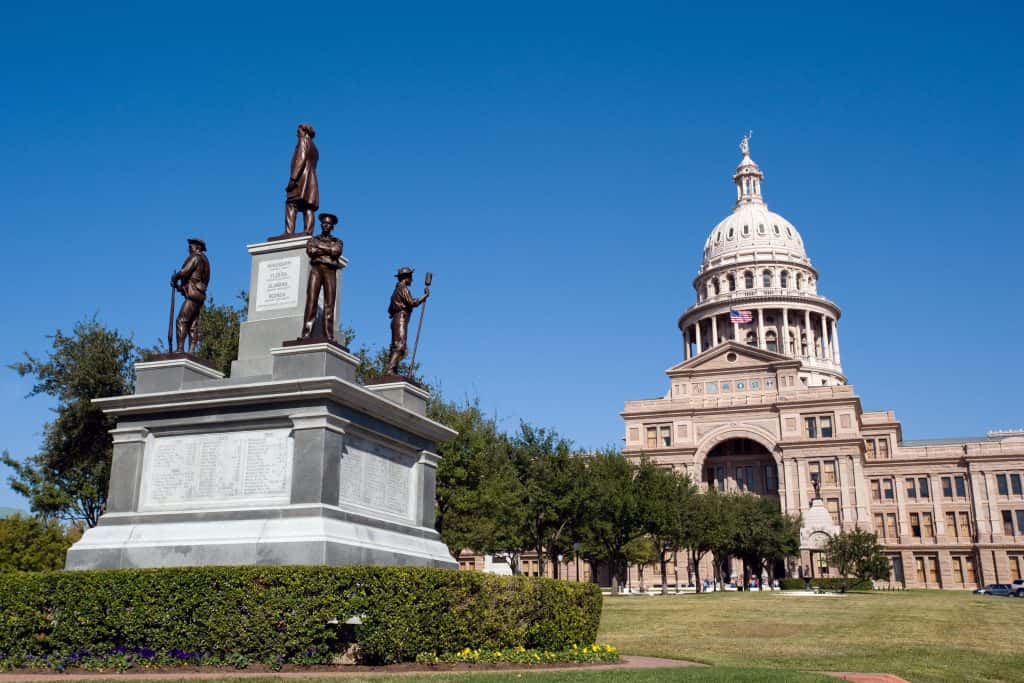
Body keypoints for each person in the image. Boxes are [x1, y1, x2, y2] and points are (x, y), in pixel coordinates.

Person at [299, 214, 343, 341]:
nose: (325, 225)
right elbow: (311, 251)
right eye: (324, 223)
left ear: (332, 226)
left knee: (329, 303)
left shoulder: (338, 241)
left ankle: (329, 335)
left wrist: (320, 248)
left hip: (330, 271)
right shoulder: (313, 239)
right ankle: (306, 333)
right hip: (316, 270)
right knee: (311, 300)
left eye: (328, 224)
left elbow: (336, 251)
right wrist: (327, 250)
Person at [385, 267, 429, 375]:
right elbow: (412, 303)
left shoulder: (396, 290)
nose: (412, 280)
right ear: (406, 278)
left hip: (396, 319)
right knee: (401, 345)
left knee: (395, 345)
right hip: (400, 318)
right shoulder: (403, 289)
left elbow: (390, 310)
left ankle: (393, 370)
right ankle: (390, 369)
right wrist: (425, 296)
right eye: (411, 277)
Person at [170, 238, 211, 353]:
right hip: (199, 295)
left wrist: (175, 277)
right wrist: (179, 287)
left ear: (198, 248)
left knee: (181, 320)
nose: (189, 249)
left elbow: (185, 271)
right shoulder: (205, 261)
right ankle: (191, 350)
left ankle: (180, 349)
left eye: (190, 247)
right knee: (193, 323)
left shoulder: (196, 257)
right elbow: (196, 280)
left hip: (193, 295)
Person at [284, 123, 319, 235]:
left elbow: (300, 160)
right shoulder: (315, 148)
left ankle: (289, 232)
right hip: (311, 180)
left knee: (291, 203)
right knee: (308, 206)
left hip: (301, 178)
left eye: (298, 131)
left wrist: (293, 179)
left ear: (305, 132)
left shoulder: (303, 141)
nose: (297, 133)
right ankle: (308, 231)